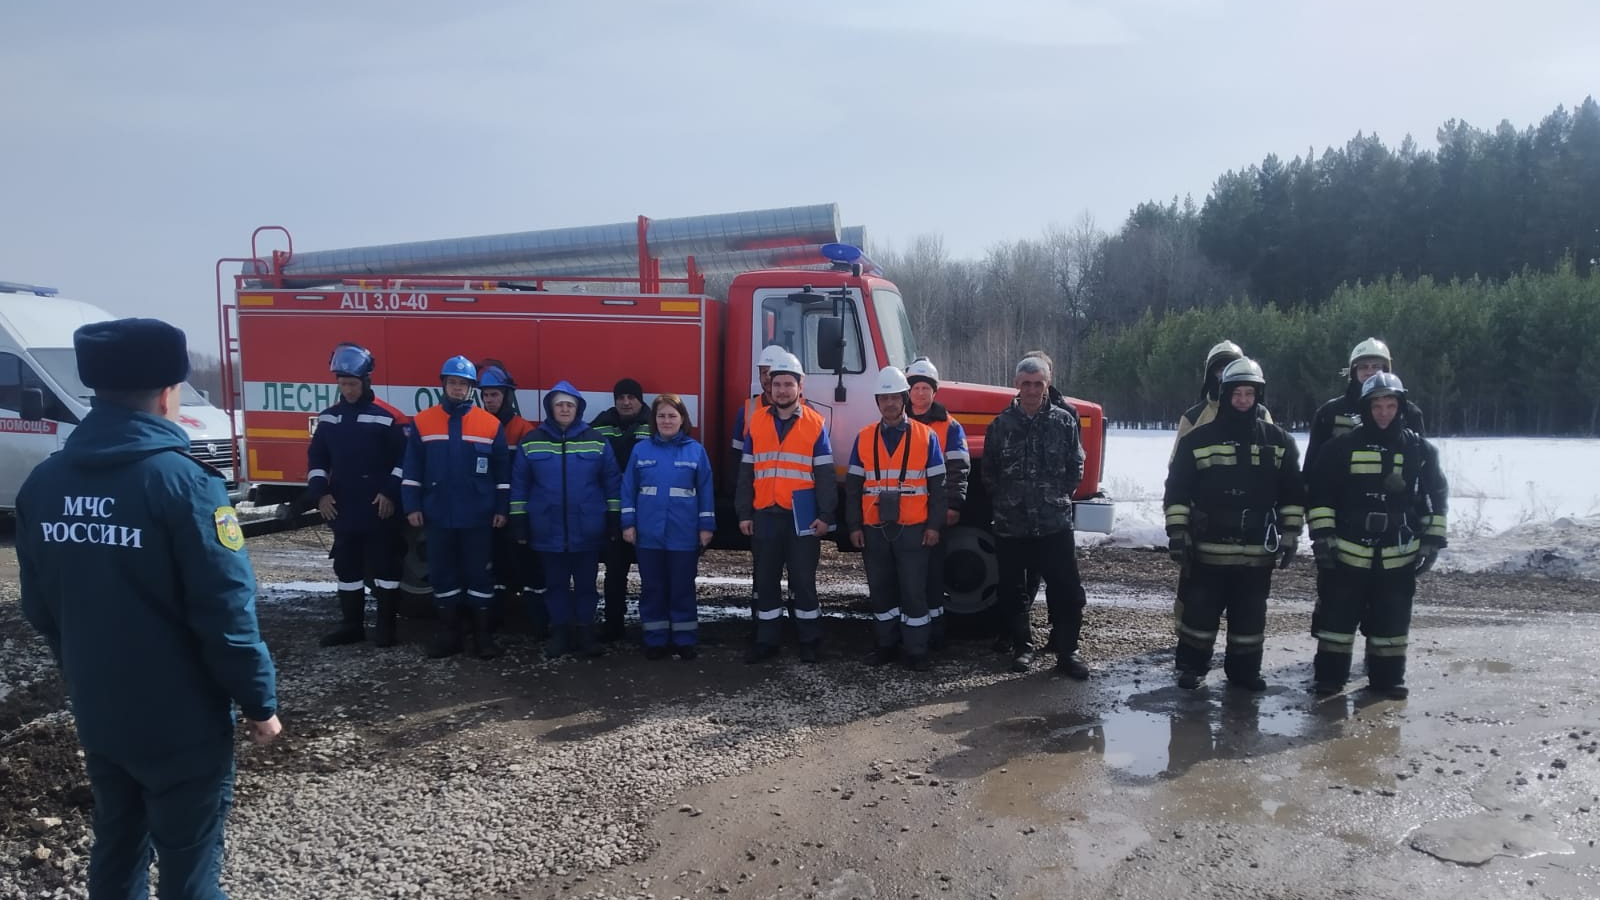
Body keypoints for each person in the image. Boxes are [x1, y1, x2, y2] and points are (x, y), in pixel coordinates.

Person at [16, 318, 281, 898]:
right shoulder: (184, 485)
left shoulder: (44, 483)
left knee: (116, 843)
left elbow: (39, 605)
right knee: (190, 864)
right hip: (180, 720)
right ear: (168, 392)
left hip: (100, 708)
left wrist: (84, 669)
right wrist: (259, 702)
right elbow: (226, 611)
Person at [1162, 358, 1306, 691]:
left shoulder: (1279, 441)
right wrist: (1178, 533)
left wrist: (1290, 534)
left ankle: (1244, 672)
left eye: (1249, 394)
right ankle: (1192, 667)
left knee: (1250, 616)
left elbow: (1293, 493)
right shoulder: (1197, 439)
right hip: (1208, 546)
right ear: (1225, 395)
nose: (1243, 400)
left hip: (1257, 550)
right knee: (1199, 611)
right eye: (1237, 393)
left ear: (1258, 396)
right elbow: (1177, 490)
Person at [1306, 372, 1448, 699]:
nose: (1383, 412)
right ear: (1366, 408)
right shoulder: (1340, 448)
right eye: (1377, 406)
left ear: (1400, 407)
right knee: (1337, 621)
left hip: (1398, 553)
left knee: (1392, 622)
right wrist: (1323, 538)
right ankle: (1329, 678)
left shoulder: (1419, 449)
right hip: (1347, 552)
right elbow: (1321, 497)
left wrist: (1432, 540)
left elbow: (1435, 495)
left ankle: (1387, 680)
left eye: (1390, 405)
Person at [982, 354, 1090, 677]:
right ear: (1016, 385)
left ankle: (1068, 651)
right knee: (1014, 591)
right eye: (1026, 383)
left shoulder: (1064, 422)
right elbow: (989, 473)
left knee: (1066, 589)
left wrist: (1056, 497)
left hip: (1053, 524)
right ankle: (1023, 647)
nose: (1031, 390)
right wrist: (1008, 501)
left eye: (1038, 384)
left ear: (1047, 385)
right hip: (1012, 525)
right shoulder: (1000, 426)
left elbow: (1076, 466)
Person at [402, 355, 510, 660]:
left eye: (463, 384)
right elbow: (412, 469)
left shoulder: (489, 424)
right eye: (452, 383)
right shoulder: (423, 422)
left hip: (478, 515)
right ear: (443, 385)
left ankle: (482, 637)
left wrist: (501, 508)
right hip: (438, 515)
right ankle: (449, 635)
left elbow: (502, 474)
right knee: (442, 575)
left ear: (471, 387)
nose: (457, 389)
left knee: (480, 576)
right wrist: (411, 506)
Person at [306, 342, 409, 648]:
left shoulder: (390, 417)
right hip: (343, 508)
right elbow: (317, 460)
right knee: (347, 569)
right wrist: (320, 494)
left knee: (386, 569)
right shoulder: (329, 418)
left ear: (366, 382)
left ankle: (386, 629)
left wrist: (390, 493)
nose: (347, 390)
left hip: (379, 508)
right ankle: (351, 626)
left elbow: (404, 462)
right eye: (342, 384)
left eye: (352, 384)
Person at [511, 380, 623, 659]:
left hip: (587, 530)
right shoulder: (532, 441)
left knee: (587, 586)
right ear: (550, 408)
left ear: (578, 409)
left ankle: (585, 633)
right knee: (555, 586)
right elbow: (519, 485)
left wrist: (613, 518)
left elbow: (612, 483)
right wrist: (519, 520)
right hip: (547, 529)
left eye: (569, 405)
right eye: (559, 404)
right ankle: (559, 634)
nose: (564, 409)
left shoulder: (597, 441)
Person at [736, 352, 836, 664]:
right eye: (776, 383)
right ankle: (767, 642)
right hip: (765, 513)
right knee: (765, 582)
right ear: (770, 385)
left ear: (799, 386)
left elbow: (825, 476)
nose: (781, 390)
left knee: (803, 582)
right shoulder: (757, 422)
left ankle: (809, 640)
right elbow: (746, 473)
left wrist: (826, 516)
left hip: (801, 517)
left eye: (787, 384)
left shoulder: (815, 424)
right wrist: (743, 513)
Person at [847, 366, 947, 671]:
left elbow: (939, 487)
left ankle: (916, 650)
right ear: (877, 402)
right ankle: (886, 646)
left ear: (903, 399)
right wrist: (853, 526)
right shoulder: (864, 437)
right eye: (883, 398)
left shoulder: (926, 436)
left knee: (914, 591)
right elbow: (853, 488)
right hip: (874, 528)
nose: (889, 403)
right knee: (881, 589)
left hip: (913, 529)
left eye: (894, 397)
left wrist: (934, 526)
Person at [621, 392, 715, 659]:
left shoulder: (696, 451)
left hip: (683, 533)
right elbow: (628, 489)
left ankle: (684, 639)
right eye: (661, 415)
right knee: (653, 588)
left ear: (682, 418)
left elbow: (706, 492)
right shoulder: (641, 450)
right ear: (654, 419)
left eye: (672, 415)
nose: (666, 420)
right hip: (649, 533)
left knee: (682, 588)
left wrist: (706, 526)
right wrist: (628, 523)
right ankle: (655, 640)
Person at [478, 360, 546, 637]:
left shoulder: (524, 430)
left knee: (529, 568)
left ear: (506, 395)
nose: (490, 400)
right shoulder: (478, 426)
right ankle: (496, 621)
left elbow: (529, 478)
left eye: (495, 394)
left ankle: (537, 624)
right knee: (495, 567)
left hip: (517, 512)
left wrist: (520, 515)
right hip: (488, 510)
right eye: (485, 395)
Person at [905, 356, 969, 648]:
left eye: (925, 388)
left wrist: (953, 506)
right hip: (903, 514)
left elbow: (958, 469)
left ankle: (935, 633)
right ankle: (907, 632)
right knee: (904, 575)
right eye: (915, 387)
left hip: (933, 514)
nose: (920, 393)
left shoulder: (950, 426)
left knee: (932, 575)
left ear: (934, 392)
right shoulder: (896, 421)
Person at [1304, 337, 1427, 473]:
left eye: (1376, 366)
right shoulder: (1329, 412)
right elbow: (1313, 463)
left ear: (1387, 370)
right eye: (1363, 367)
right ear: (1353, 372)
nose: (1370, 372)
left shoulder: (1409, 412)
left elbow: (1421, 460)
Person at [592, 377, 654, 642]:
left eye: (631, 397)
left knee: (653, 574)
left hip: (649, 511)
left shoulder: (655, 424)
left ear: (640, 400)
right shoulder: (600, 425)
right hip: (615, 512)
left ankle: (653, 628)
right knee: (615, 572)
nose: (626, 402)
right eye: (621, 398)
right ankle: (613, 626)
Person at [1172, 340, 1277, 453]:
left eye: (1231, 368)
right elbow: (1177, 465)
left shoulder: (1260, 414)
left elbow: (1275, 455)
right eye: (1221, 370)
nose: (1225, 375)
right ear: (1211, 373)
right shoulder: (1193, 418)